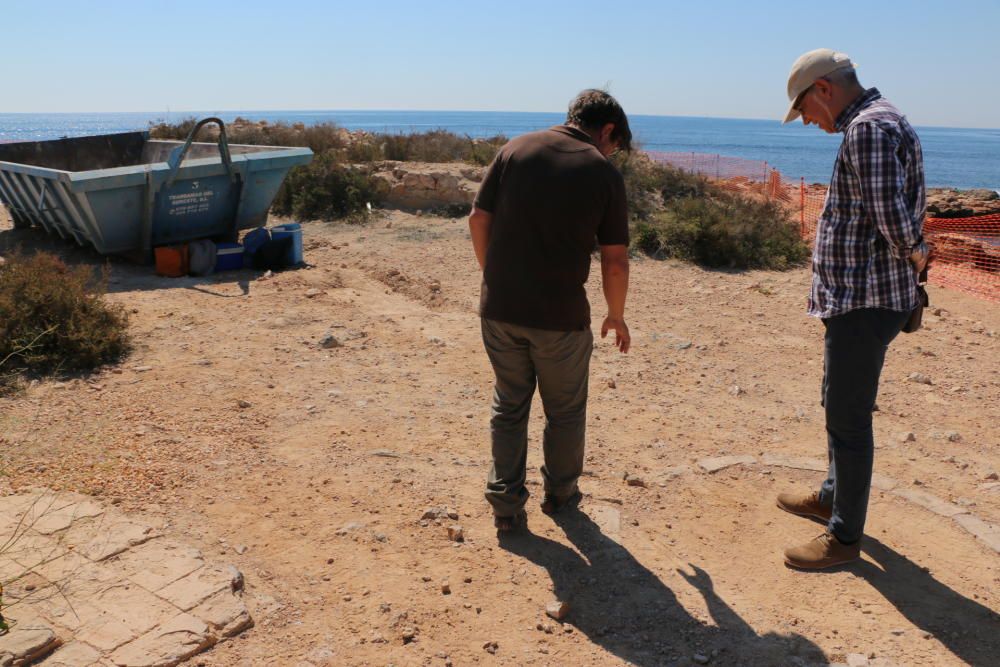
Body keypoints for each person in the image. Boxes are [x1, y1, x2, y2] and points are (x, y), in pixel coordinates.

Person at [777, 49, 929, 569]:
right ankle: (831, 496)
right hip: (860, 297)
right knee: (838, 402)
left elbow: (891, 217)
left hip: (866, 298)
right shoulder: (881, 119)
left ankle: (844, 539)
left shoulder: (866, 129)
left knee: (847, 416)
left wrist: (916, 251)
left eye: (805, 110)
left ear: (824, 89)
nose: (809, 122)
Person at [469, 89, 632, 532]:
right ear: (608, 129)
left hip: (499, 309)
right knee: (564, 411)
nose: (612, 151)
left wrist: (495, 276)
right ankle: (561, 496)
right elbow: (614, 260)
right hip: (560, 318)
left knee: (509, 405)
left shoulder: (513, 150)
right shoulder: (602, 172)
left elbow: (478, 220)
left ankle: (505, 506)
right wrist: (615, 314)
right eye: (615, 144)